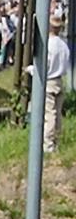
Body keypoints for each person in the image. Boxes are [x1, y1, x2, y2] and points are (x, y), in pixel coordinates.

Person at [40, 16, 69, 154]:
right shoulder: (63, 45)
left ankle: (48, 144)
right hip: (59, 80)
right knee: (57, 114)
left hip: (49, 80)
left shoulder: (48, 45)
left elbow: (45, 65)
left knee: (50, 114)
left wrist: (31, 70)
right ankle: (56, 141)